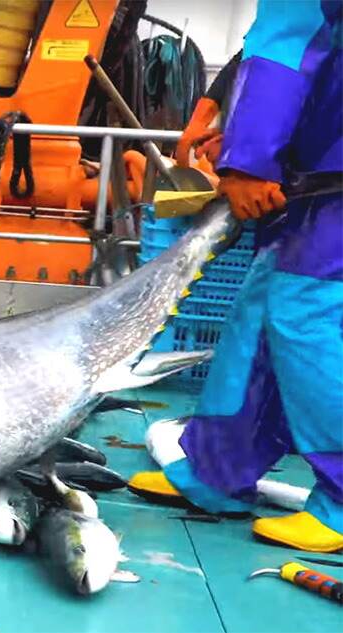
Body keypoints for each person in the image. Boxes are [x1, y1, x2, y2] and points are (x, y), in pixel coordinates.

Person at [129, 0, 342, 553]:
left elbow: (286, 46)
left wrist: (249, 159)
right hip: (319, 177)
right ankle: (216, 468)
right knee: (260, 309)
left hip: (334, 187)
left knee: (304, 314)